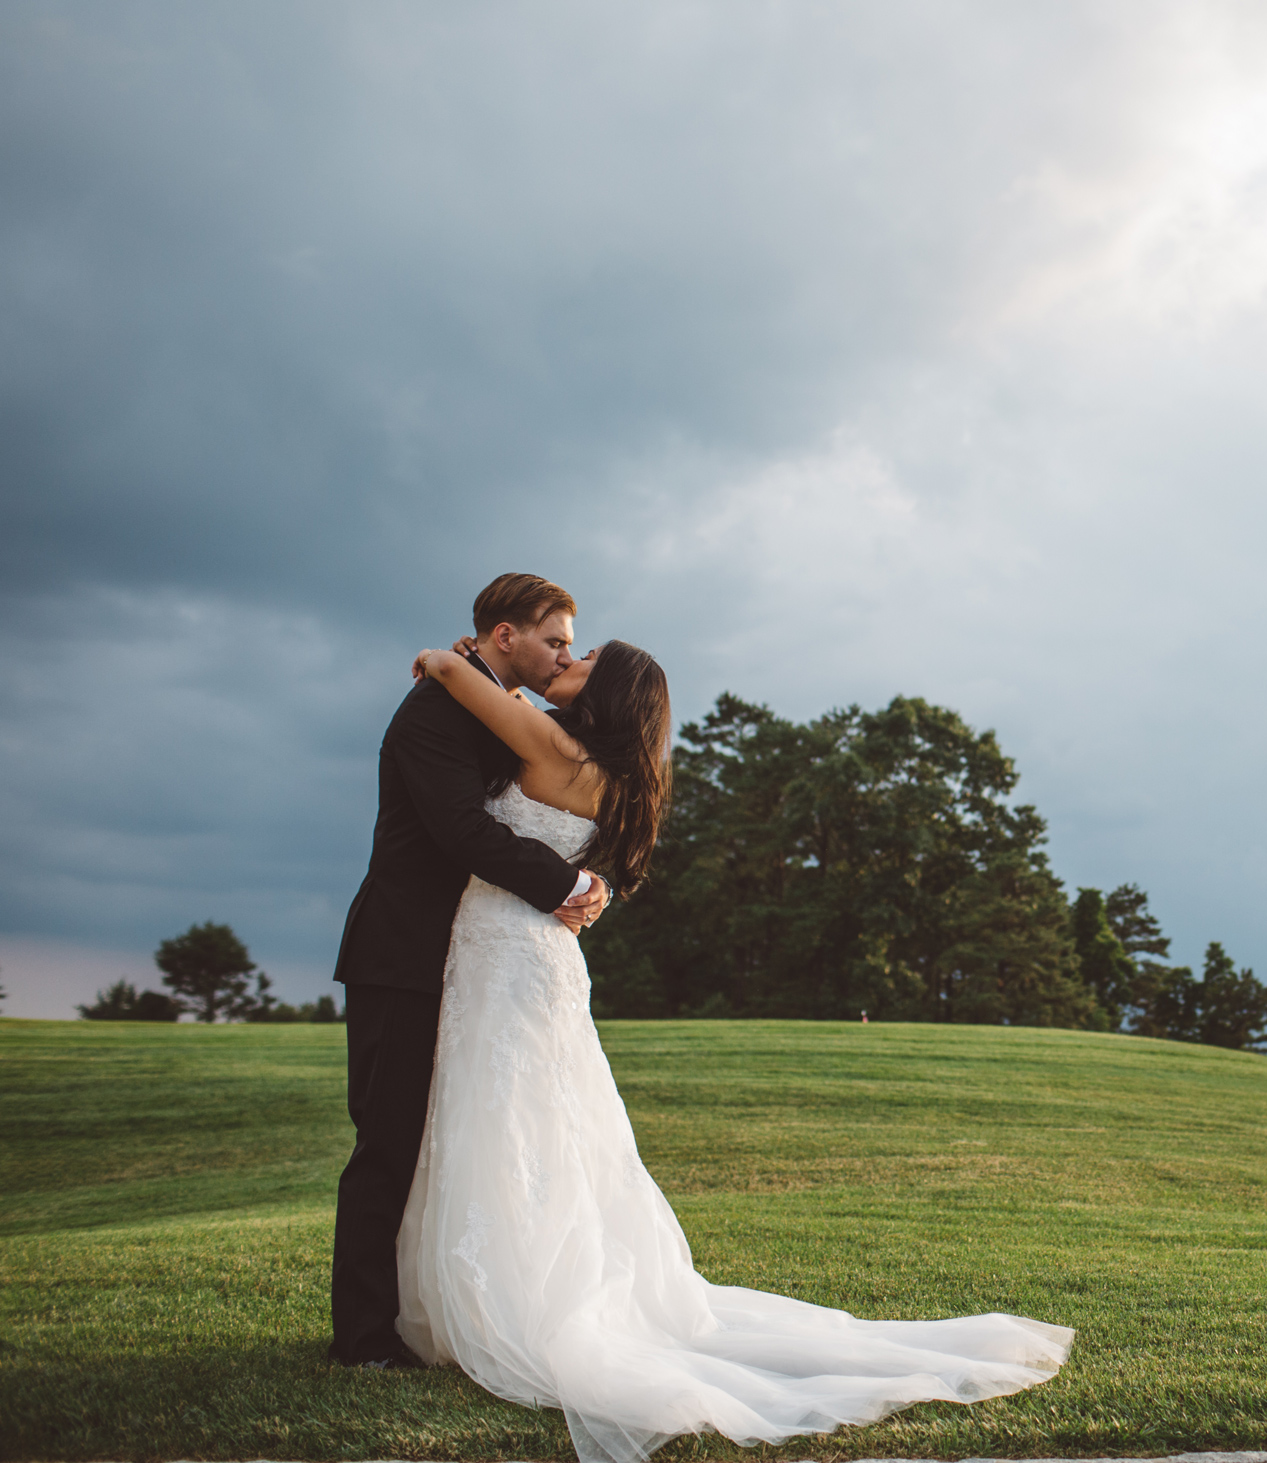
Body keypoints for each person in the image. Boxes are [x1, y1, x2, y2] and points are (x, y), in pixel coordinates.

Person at [393, 632, 1072, 1463]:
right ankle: (509, 1288)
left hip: (505, 946)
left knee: (505, 1124)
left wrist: (443, 654)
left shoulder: (551, 742)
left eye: (581, 659)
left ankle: (512, 1304)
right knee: (540, 1129)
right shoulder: (607, 769)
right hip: (533, 950)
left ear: (604, 693)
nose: (562, 662)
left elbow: (459, 677)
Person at [329, 573, 612, 1369]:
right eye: (554, 638)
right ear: (505, 634)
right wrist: (566, 885)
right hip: (401, 953)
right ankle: (363, 1339)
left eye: (569, 643)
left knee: (434, 1142)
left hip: (462, 961)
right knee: (385, 1143)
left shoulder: (486, 698)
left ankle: (429, 1315)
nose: (563, 653)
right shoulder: (433, 710)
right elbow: (457, 828)